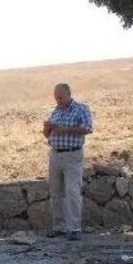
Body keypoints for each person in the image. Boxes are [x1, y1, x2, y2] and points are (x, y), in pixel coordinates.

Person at [43, 83, 93, 241]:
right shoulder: (56, 111)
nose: (58, 100)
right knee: (56, 192)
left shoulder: (81, 109)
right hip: (55, 155)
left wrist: (65, 129)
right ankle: (59, 226)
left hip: (72, 155)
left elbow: (88, 128)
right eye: (56, 98)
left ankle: (74, 228)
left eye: (60, 97)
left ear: (69, 94)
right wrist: (47, 128)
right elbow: (48, 135)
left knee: (72, 192)